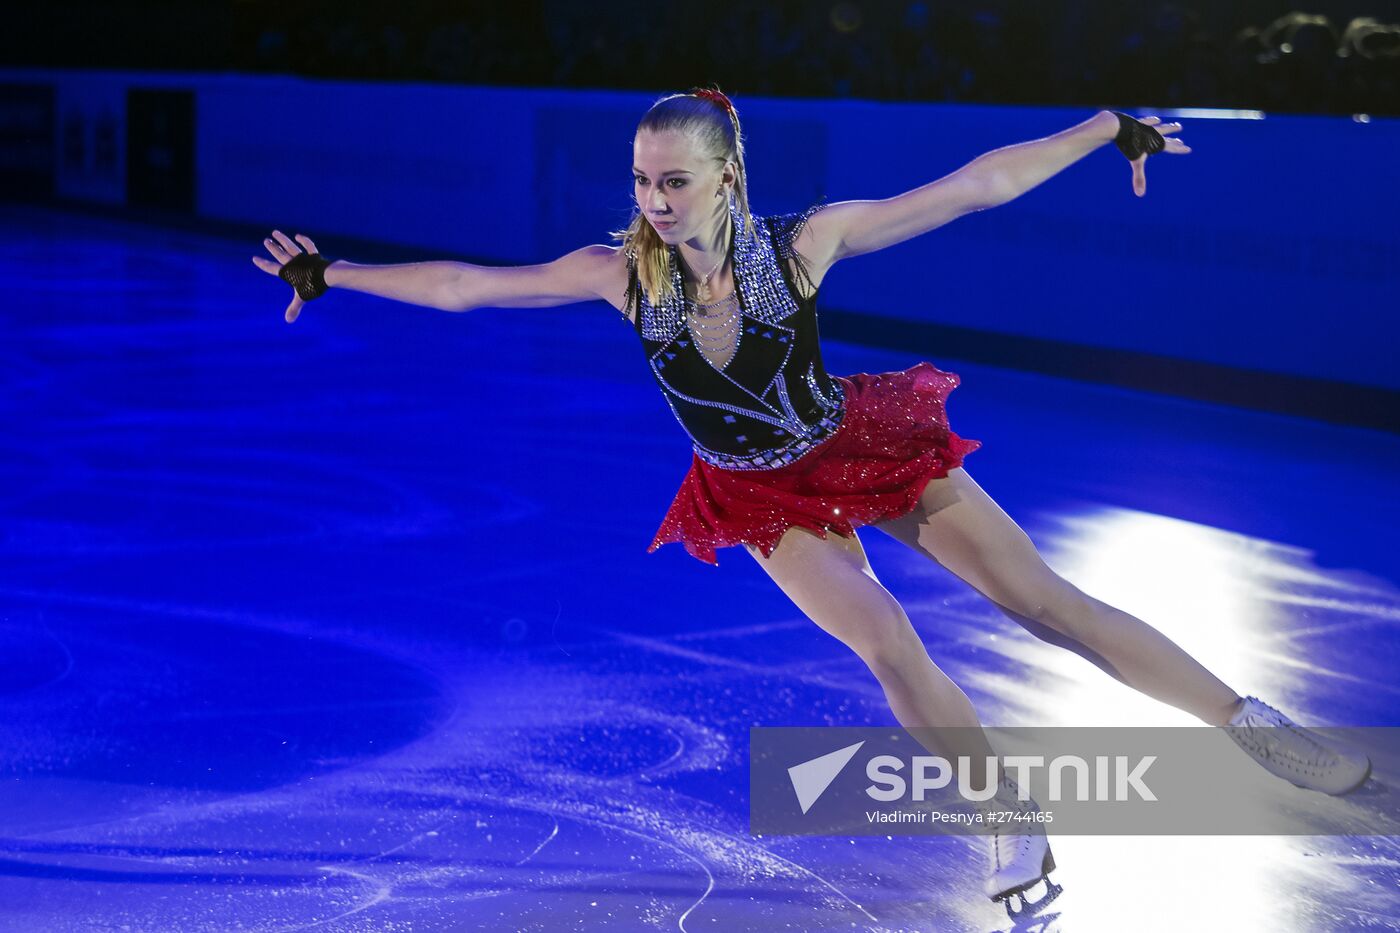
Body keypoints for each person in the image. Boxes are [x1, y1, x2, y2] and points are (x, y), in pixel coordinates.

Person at [253, 86, 1371, 920]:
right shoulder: (617, 272)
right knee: (884, 640)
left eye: (673, 181)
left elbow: (970, 187)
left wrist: (1099, 127)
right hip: (757, 495)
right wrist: (332, 273)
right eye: (641, 180)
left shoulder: (804, 245)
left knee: (1045, 603)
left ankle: (1250, 728)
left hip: (861, 445)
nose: (651, 200)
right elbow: (463, 289)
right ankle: (1007, 827)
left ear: (725, 177)